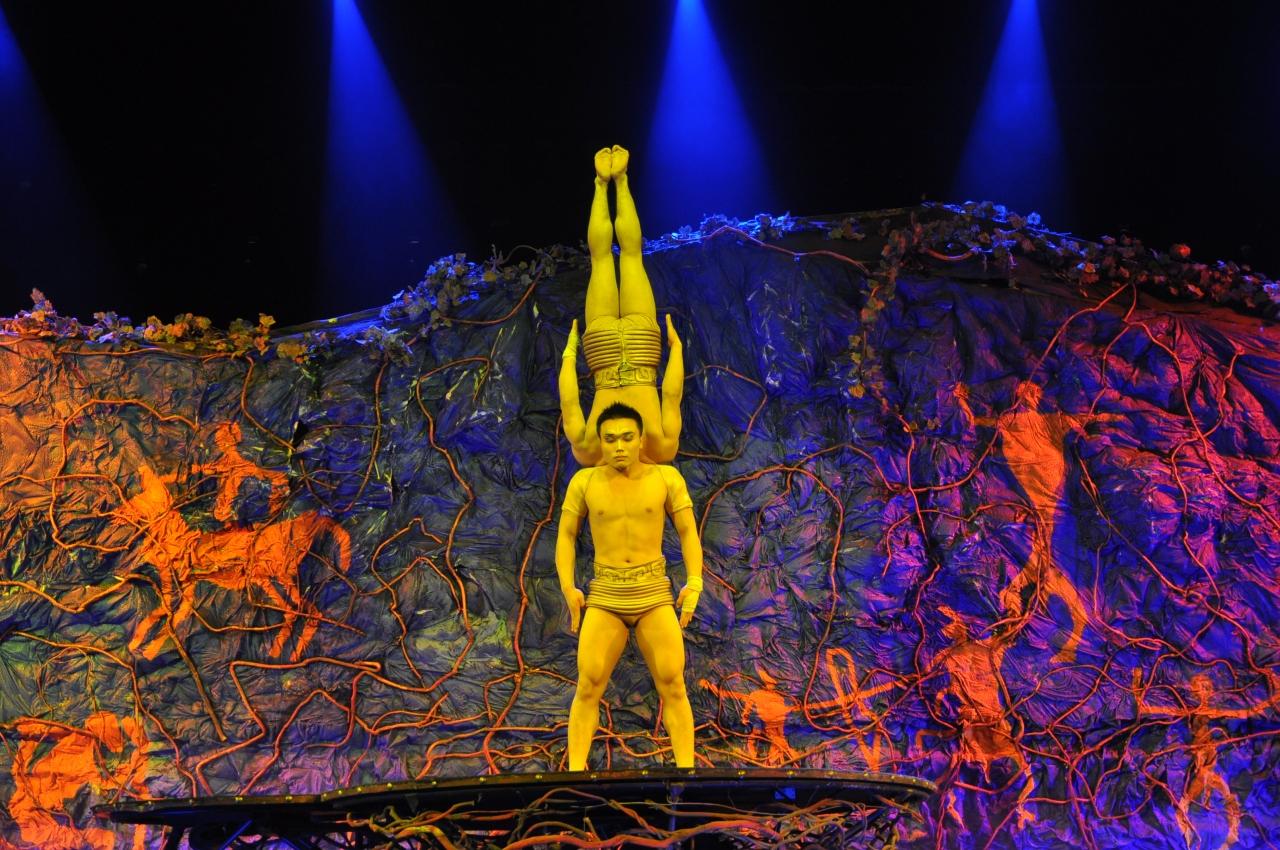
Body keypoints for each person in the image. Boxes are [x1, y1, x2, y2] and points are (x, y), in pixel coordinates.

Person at [557, 402, 703, 769]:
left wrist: (695, 581)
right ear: (600, 442)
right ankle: (575, 773)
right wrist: (568, 587)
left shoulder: (666, 478)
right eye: (610, 439)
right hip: (605, 594)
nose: (619, 446)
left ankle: (686, 771)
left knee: (673, 684)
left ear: (640, 440)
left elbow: (688, 531)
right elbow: (566, 535)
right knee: (588, 685)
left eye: (626, 438)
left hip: (653, 592)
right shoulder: (584, 482)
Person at [560, 145, 684, 467]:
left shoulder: (590, 453)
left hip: (608, 354)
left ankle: (605, 182)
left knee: (609, 259)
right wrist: (676, 349)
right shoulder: (661, 450)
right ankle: (616, 180)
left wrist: (570, 351)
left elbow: (569, 403)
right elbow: (671, 395)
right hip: (638, 348)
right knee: (620, 258)